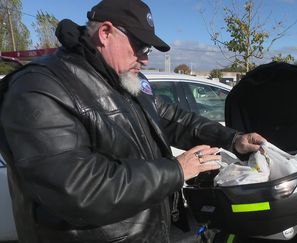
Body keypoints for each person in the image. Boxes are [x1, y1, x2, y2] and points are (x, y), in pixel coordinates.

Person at [0, 0, 266, 242]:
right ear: (105, 33)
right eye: (139, 45)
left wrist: (233, 140)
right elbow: (78, 187)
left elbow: (172, 118)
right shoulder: (40, 87)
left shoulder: (127, 80)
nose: (146, 58)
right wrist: (176, 171)